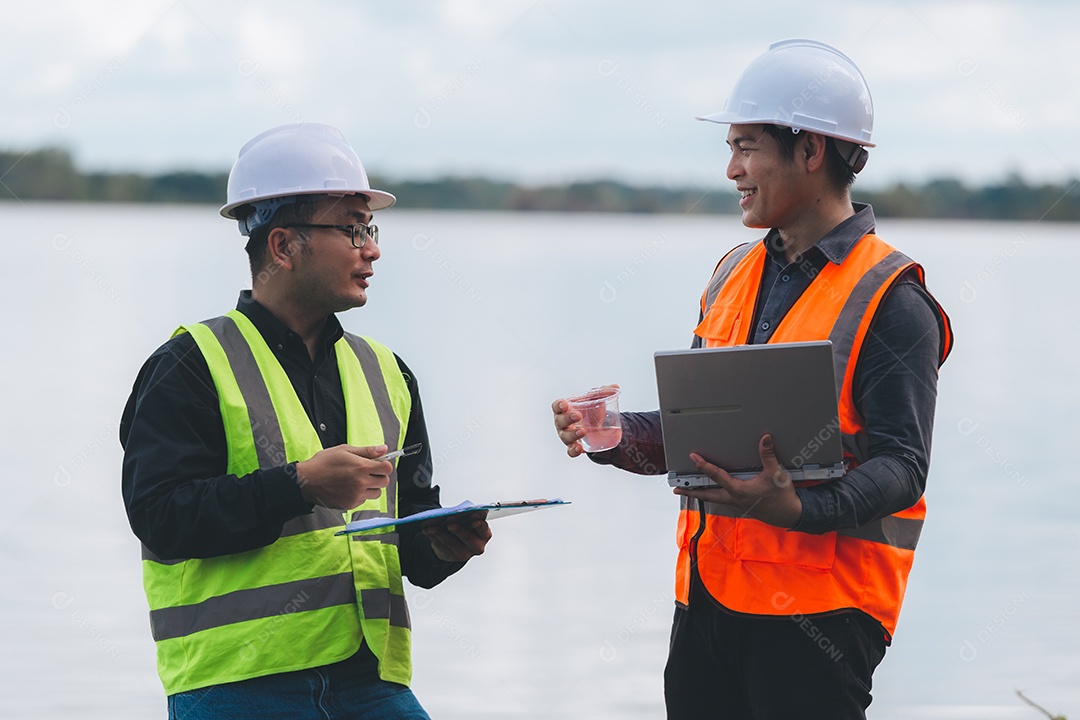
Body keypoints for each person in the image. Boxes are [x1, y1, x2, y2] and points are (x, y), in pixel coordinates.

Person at [552, 40, 952, 719]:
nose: (732, 168)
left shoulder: (892, 295)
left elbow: (902, 464)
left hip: (821, 622)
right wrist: (615, 435)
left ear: (811, 151)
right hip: (704, 609)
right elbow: (698, 436)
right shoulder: (730, 273)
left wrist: (801, 510)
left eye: (746, 146)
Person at [121, 123, 491, 719]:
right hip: (236, 685)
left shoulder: (389, 374)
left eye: (371, 228)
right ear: (283, 247)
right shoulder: (188, 366)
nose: (371, 248)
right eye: (351, 228)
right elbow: (160, 518)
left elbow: (412, 546)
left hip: (372, 684)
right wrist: (298, 486)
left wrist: (447, 545)